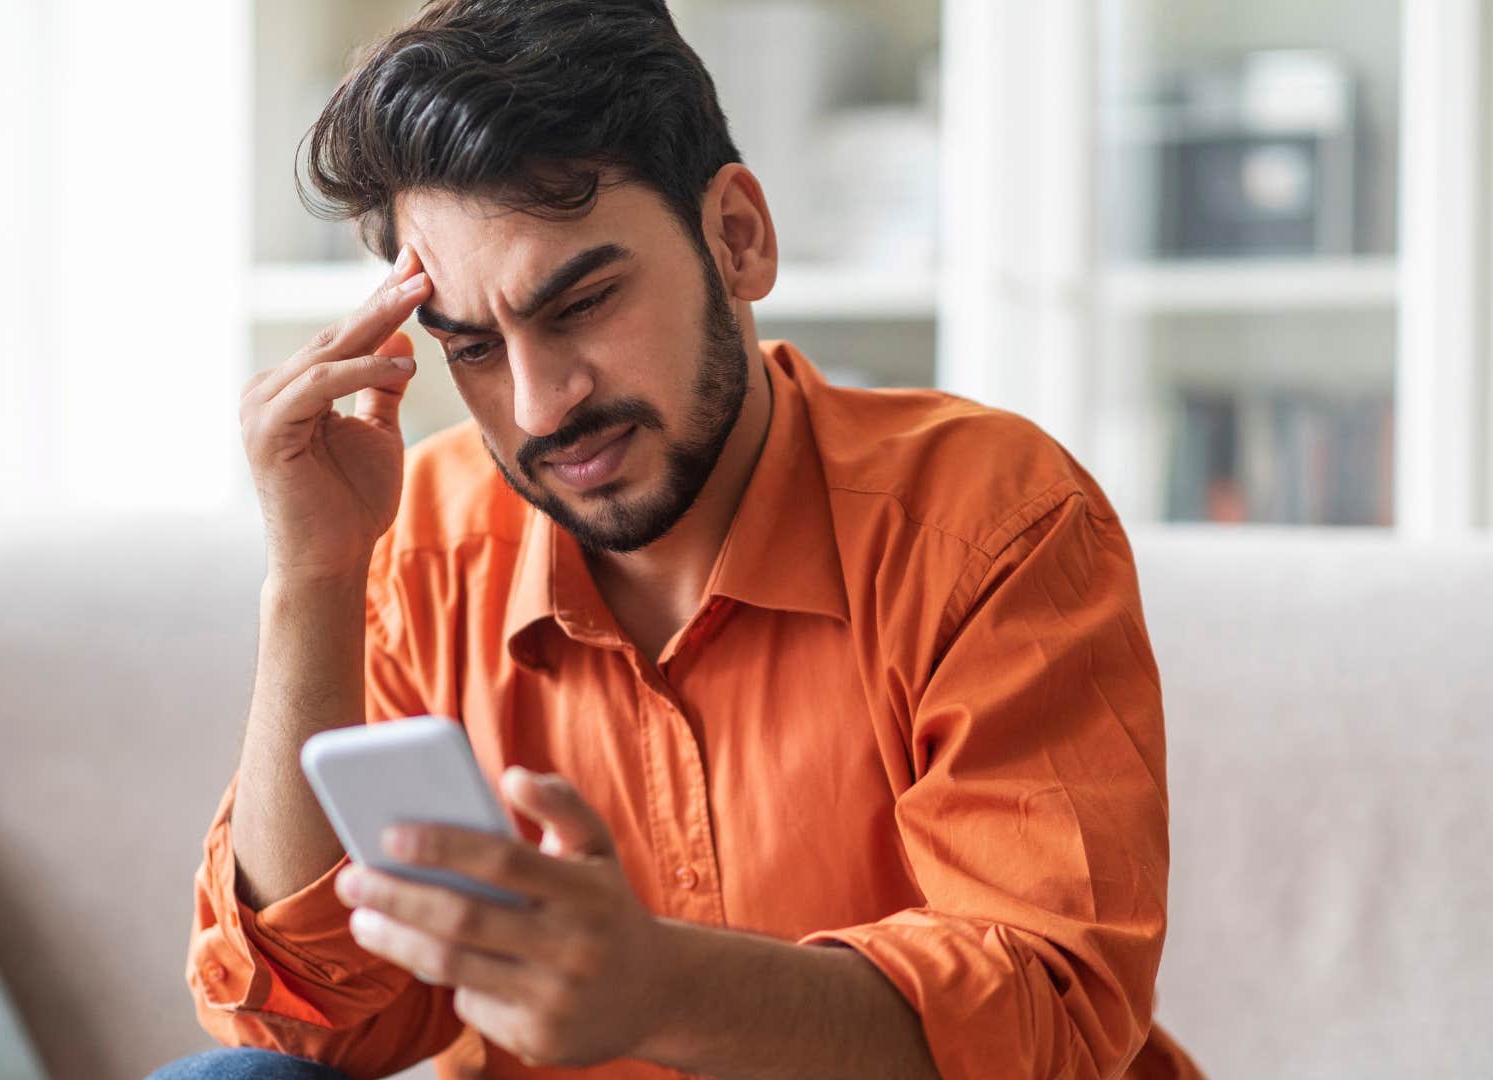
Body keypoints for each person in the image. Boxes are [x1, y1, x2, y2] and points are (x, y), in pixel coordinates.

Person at [157, 1, 1204, 1077]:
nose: (539, 405)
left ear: (737, 238)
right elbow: (299, 1022)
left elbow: (1054, 1012)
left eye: (584, 303)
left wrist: (658, 990)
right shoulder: (421, 540)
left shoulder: (988, 521)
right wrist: (313, 576)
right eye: (472, 348)